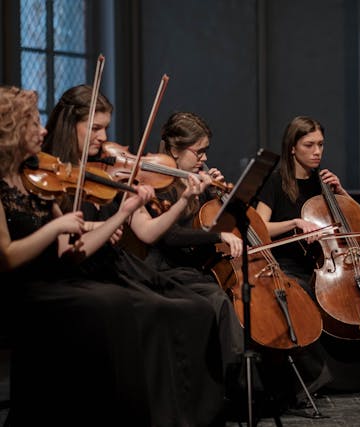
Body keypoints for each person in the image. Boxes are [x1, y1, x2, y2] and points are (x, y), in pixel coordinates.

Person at [42, 84, 228, 426]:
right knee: (166, 311)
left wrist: (185, 199)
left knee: (200, 309)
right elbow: (68, 246)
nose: (104, 138)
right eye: (95, 128)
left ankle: (197, 415)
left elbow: (146, 231)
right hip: (90, 272)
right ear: (71, 125)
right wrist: (109, 221)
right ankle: (160, 416)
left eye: (105, 128)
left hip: (115, 264)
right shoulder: (51, 174)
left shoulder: (106, 173)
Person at [0, 85, 157, 426]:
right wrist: (56, 228)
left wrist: (121, 213)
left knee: (117, 301)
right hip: (20, 293)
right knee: (106, 303)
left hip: (54, 282)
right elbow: (8, 258)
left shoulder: (36, 180)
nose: (43, 130)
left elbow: (71, 252)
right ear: (11, 132)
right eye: (32, 124)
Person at [255, 115, 360, 407]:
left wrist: (341, 193)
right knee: (299, 294)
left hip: (323, 264)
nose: (317, 152)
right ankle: (315, 376)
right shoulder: (275, 182)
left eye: (321, 145)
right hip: (287, 265)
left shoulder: (322, 183)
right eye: (309, 145)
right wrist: (295, 223)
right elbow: (260, 227)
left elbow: (353, 223)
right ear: (292, 148)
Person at [150, 111, 246, 391]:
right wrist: (218, 235)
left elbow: (203, 222)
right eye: (199, 152)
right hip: (167, 270)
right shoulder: (160, 184)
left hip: (195, 268)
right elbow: (171, 236)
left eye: (206, 152)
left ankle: (242, 381)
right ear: (174, 149)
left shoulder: (193, 181)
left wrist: (215, 195)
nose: (204, 159)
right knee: (217, 299)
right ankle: (233, 383)